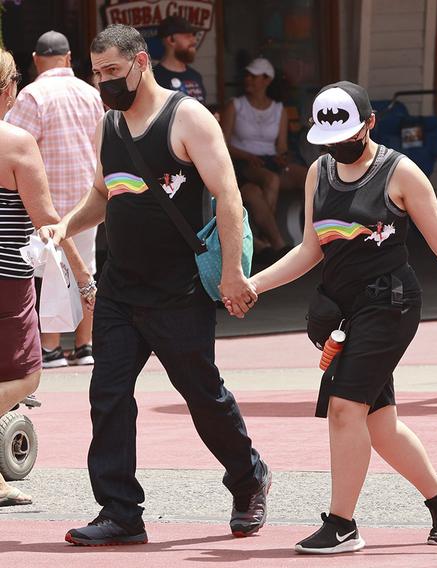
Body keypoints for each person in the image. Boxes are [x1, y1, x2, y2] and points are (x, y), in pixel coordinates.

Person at [226, 80, 437, 555]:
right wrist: (253, 283)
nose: (337, 147)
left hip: (391, 304)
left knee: (345, 410)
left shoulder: (401, 173)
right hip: (342, 311)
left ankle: (342, 525)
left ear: (370, 124)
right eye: (328, 140)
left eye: (346, 135)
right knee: (379, 424)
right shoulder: (318, 172)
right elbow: (310, 249)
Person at [38, 25, 270, 546]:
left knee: (203, 396)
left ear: (142, 62)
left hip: (180, 290)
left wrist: (233, 272)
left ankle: (248, 476)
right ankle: (120, 512)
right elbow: (103, 193)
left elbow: (230, 198)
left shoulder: (186, 118)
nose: (105, 82)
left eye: (113, 72)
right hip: (121, 289)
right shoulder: (108, 125)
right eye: (97, 73)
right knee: (109, 395)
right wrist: (64, 224)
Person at [0, 47, 92, 507]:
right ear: (9, 88)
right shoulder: (15, 143)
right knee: (26, 376)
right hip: (7, 279)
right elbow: (47, 219)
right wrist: (84, 277)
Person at [6, 30, 105, 369]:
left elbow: (13, 145)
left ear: (35, 60)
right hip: (87, 200)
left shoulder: (31, 95)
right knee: (85, 269)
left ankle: (49, 347)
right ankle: (85, 345)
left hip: (45, 199)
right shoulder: (91, 93)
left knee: (48, 271)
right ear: (69, 58)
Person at [221, 57, 306, 260]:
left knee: (308, 175)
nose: (249, 80)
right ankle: (268, 239)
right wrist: (247, 155)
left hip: (269, 161)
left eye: (254, 76)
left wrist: (282, 158)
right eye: (247, 76)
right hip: (244, 161)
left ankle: (321, 237)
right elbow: (222, 143)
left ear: (267, 80)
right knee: (271, 179)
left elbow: (282, 146)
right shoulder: (236, 105)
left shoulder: (279, 109)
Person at [153, 15, 206, 104]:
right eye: (188, 36)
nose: (194, 41)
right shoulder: (153, 79)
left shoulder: (196, 76)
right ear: (171, 40)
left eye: (193, 35)